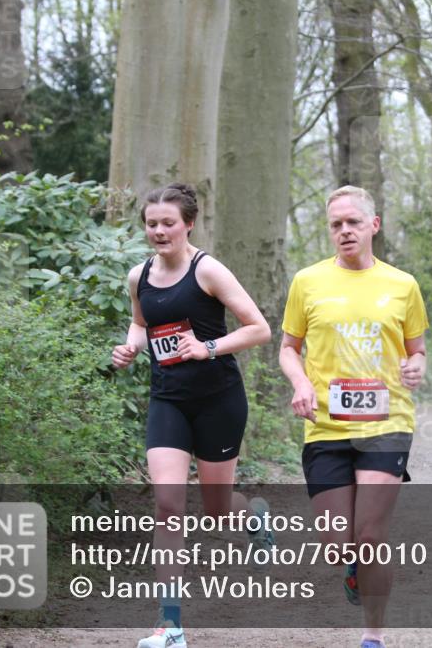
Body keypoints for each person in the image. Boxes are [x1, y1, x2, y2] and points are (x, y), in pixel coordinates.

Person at [111, 183, 274, 648]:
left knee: (218, 510)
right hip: (168, 401)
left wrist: (208, 347)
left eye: (167, 223)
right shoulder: (137, 276)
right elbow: (142, 323)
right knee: (168, 507)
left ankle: (252, 515)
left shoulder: (208, 271)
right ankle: (170, 624)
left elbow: (259, 328)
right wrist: (130, 348)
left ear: (188, 224)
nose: (158, 231)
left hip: (218, 400)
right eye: (151, 223)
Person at [278, 185, 429, 648]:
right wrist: (301, 383)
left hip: (387, 423)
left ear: (373, 226)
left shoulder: (402, 285)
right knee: (336, 540)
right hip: (325, 425)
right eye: (336, 225)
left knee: (370, 533)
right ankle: (351, 567)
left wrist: (416, 365)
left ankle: (373, 636)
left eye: (353, 223)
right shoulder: (308, 281)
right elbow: (288, 349)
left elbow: (417, 350)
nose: (344, 231)